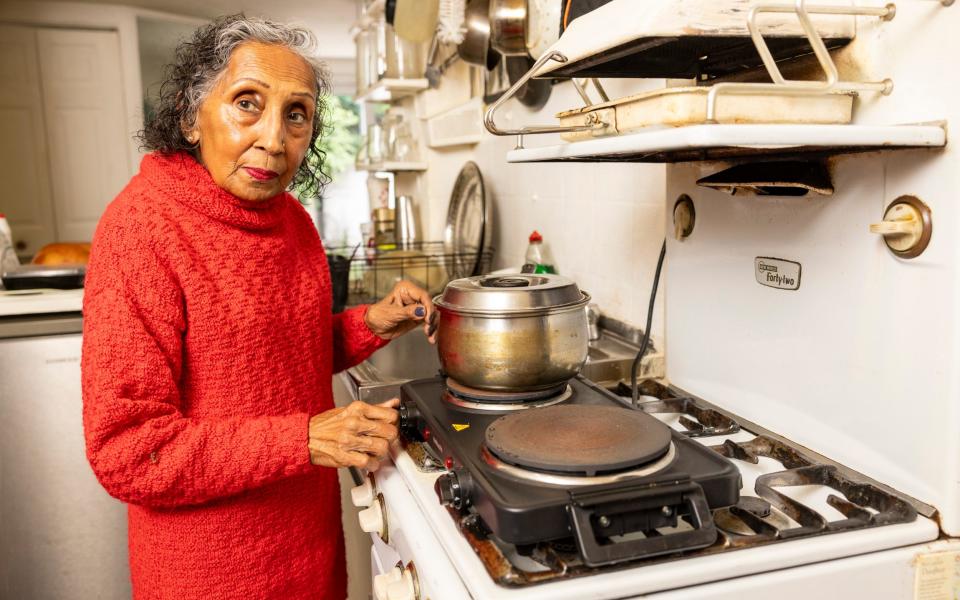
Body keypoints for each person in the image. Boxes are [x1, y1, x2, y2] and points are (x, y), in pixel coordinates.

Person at [81, 14, 435, 600]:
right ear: (191, 116)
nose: (274, 139)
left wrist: (372, 322)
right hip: (209, 572)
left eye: (296, 115)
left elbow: (276, 357)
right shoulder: (141, 229)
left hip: (309, 544)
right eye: (248, 103)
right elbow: (128, 451)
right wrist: (304, 441)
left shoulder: (291, 220)